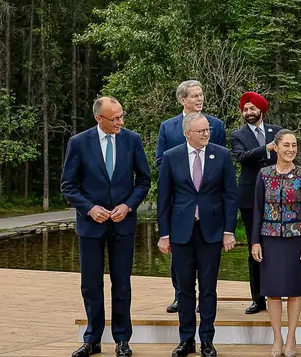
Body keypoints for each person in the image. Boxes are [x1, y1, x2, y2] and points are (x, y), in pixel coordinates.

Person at [61, 96, 152, 357]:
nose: (121, 122)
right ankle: (93, 339)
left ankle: (122, 339)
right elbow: (68, 185)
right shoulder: (78, 143)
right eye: (115, 118)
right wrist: (89, 208)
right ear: (99, 118)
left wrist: (128, 206)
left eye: (122, 116)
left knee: (121, 282)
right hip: (91, 225)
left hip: (123, 223)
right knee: (91, 284)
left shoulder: (131, 140)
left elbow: (144, 180)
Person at [157, 112, 238, 357]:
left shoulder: (221, 155)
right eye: (201, 131)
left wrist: (228, 231)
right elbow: (164, 198)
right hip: (181, 232)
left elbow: (230, 195)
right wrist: (164, 234)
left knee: (208, 288)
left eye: (207, 130)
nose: (206, 134)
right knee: (184, 289)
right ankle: (186, 340)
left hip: (211, 231)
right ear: (187, 133)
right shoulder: (172, 157)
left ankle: (207, 341)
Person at [157, 79, 227, 314]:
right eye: (194, 96)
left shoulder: (215, 125)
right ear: (182, 100)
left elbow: (220, 163)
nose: (200, 99)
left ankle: (205, 303)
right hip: (180, 201)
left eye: (201, 94)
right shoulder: (168, 127)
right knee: (180, 257)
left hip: (208, 204)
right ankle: (180, 295)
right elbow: (161, 162)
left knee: (207, 267)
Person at [251, 129, 301, 357]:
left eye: (294, 145)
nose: (290, 149)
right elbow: (257, 209)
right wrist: (255, 241)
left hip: (296, 239)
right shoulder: (264, 174)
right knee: (273, 291)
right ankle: (277, 337)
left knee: (294, 290)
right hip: (269, 238)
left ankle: (291, 337)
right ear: (275, 147)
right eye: (286, 145)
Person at [229, 91, 282, 315]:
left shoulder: (277, 131)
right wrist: (267, 149)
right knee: (255, 245)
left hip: (278, 196)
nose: (248, 112)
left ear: (262, 110)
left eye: (252, 108)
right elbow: (242, 157)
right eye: (245, 109)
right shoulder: (237, 135)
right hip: (250, 196)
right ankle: (257, 298)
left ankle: (277, 292)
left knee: (277, 246)